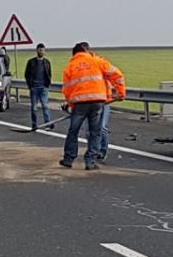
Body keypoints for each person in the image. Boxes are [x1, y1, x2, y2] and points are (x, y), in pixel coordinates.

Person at [60, 42, 126, 170]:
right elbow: (117, 75)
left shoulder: (70, 67)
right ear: (86, 51)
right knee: (95, 132)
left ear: (75, 54)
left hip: (79, 104)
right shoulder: (98, 61)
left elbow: (66, 89)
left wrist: (70, 104)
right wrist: (121, 93)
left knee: (73, 131)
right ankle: (90, 161)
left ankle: (68, 159)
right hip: (97, 102)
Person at [24, 43, 52, 130]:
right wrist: (30, 85)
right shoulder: (31, 62)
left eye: (43, 50)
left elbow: (49, 74)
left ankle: (48, 124)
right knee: (34, 108)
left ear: (44, 51)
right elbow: (27, 74)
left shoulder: (47, 62)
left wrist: (47, 85)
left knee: (45, 106)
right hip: (34, 88)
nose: (41, 52)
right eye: (40, 50)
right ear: (37, 50)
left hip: (44, 88)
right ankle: (34, 124)